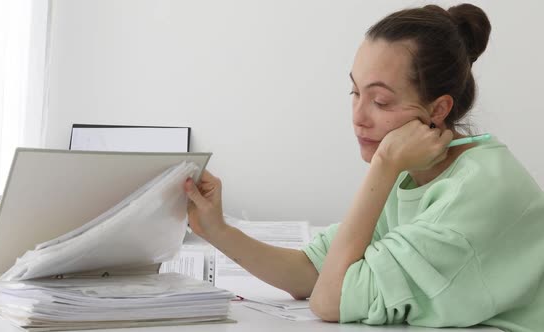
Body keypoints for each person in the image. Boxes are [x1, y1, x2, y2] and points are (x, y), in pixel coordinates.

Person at [184, 4, 544, 331]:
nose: (358, 117)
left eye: (381, 101)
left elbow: (329, 300)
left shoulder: (476, 193)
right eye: (355, 93)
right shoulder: (415, 170)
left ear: (437, 110)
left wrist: (384, 166)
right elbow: (310, 274)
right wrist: (216, 230)